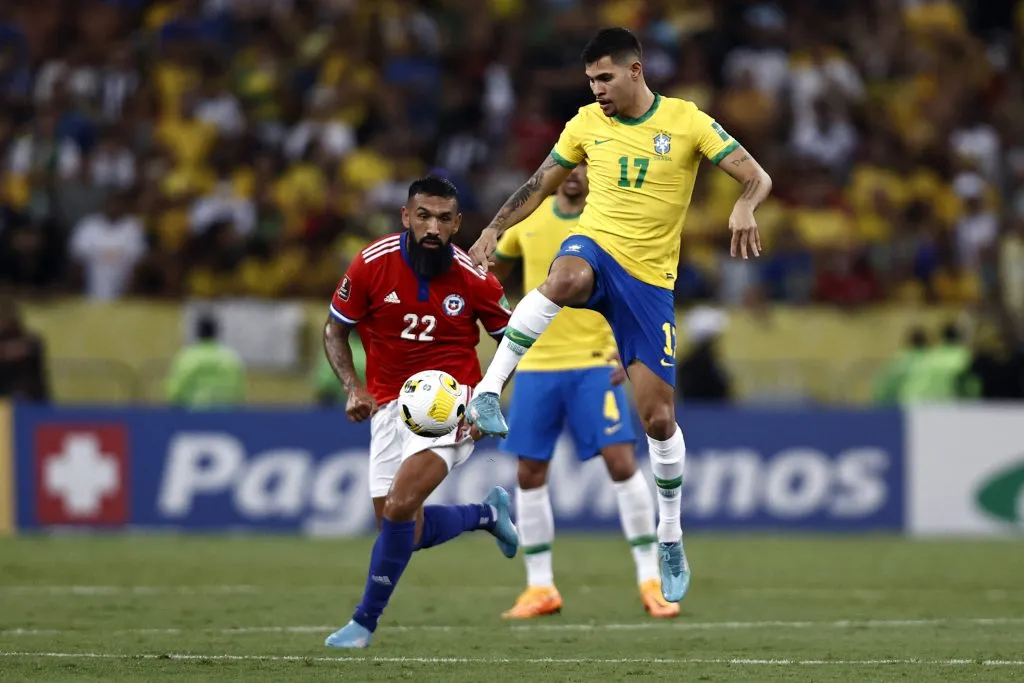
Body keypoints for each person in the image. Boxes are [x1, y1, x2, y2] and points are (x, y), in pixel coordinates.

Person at [465, 27, 772, 604]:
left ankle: (671, 536)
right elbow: (538, 183)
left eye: (605, 78)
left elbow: (757, 175)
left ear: (636, 70)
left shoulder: (687, 122)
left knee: (658, 420)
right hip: (596, 248)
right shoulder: (584, 124)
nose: (597, 89)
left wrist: (744, 206)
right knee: (564, 277)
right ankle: (489, 387)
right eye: (590, 80)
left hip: (649, 284)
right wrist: (493, 228)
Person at [321, 176, 519, 649]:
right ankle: (486, 516)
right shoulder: (372, 264)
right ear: (406, 217)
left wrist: (486, 397)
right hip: (388, 406)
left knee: (401, 504)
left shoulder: (474, 277)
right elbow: (334, 330)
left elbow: (513, 340)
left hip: (451, 402)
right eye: (423, 216)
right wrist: (353, 387)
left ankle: (363, 623)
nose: (433, 227)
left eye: (444, 218)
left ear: (457, 224)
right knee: (401, 531)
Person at [490, 164, 678, 619]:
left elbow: (640, 289)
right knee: (529, 473)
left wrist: (629, 343)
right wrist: (499, 314)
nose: (574, 175)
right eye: (567, 167)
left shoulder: (609, 222)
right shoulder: (528, 224)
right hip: (537, 367)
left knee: (621, 463)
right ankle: (540, 588)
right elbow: (491, 275)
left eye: (584, 167)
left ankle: (651, 579)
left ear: (596, 174)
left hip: (596, 365)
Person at [165, 314, 245, 408]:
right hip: (225, 418)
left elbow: (174, 393)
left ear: (197, 333)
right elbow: (239, 394)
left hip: (193, 418)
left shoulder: (187, 358)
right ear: (217, 333)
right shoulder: (231, 359)